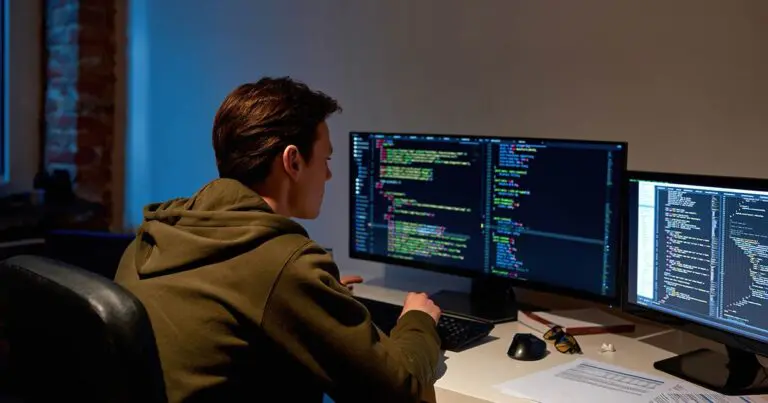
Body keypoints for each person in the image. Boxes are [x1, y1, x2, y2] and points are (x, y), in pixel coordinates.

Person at [114, 77, 443, 403]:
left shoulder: (157, 233)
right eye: (326, 160)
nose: (328, 175)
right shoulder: (283, 263)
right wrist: (418, 320)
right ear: (293, 161)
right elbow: (399, 391)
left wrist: (314, 294)